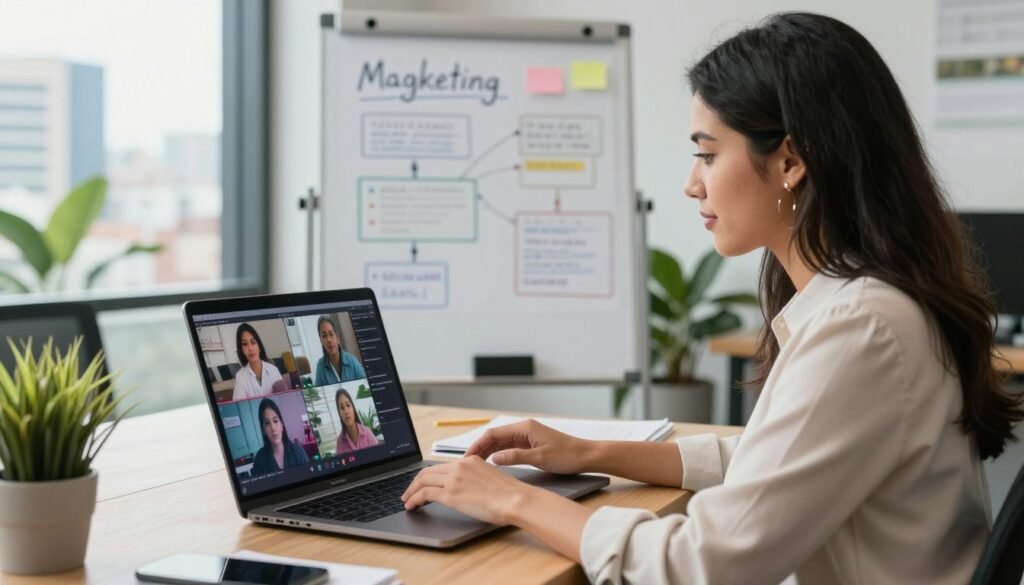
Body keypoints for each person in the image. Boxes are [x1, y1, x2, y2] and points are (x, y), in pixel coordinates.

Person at [400, 12, 1024, 585]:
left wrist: (512, 498)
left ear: (790, 160)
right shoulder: (875, 302)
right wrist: (590, 453)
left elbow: (703, 564)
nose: (691, 182)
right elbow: (780, 460)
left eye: (707, 153)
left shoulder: (862, 326)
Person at [250, 398, 309, 476]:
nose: (273, 428)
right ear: (263, 430)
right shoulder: (260, 459)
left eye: (275, 421)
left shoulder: (297, 451)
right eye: (267, 423)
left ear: (282, 425)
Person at [232, 323, 284, 401]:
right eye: (245, 344)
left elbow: (284, 398)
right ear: (241, 350)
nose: (250, 348)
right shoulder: (240, 377)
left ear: (259, 346)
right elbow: (238, 403)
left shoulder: (273, 370)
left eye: (253, 342)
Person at [314, 315, 366, 386]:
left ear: (337, 337)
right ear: (321, 340)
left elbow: (365, 383)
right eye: (324, 336)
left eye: (331, 334)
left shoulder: (352, 360)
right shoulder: (320, 366)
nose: (329, 340)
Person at [334, 388, 379, 454]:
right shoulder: (340, 442)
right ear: (339, 413)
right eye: (342, 408)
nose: (346, 411)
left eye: (348, 405)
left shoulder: (368, 434)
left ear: (353, 409)